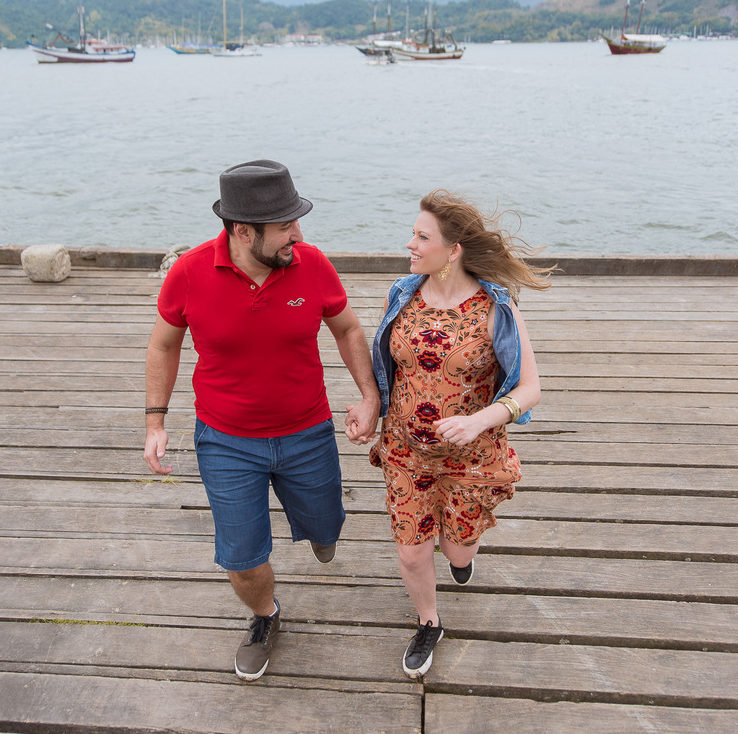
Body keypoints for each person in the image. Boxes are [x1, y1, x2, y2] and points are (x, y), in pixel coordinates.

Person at [143, 159, 380, 682]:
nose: (298, 233)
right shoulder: (188, 273)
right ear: (243, 231)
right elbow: (163, 344)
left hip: (308, 432)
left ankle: (320, 530)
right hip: (226, 440)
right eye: (285, 226)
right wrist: (155, 422)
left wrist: (370, 396)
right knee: (242, 558)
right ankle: (265, 616)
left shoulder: (312, 264)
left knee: (325, 531)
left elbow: (347, 328)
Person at [369, 189, 552, 678]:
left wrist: (478, 420)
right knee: (412, 551)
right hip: (406, 450)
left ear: (453, 250)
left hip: (471, 456)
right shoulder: (402, 294)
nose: (410, 244)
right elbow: (390, 369)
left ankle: (461, 553)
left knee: (457, 550)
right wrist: (370, 406)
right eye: (413, 233)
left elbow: (531, 389)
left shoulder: (497, 309)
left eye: (421, 236)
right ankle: (429, 621)